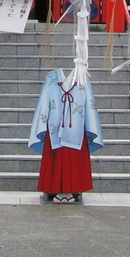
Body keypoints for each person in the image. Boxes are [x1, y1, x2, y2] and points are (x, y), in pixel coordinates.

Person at [29, 69, 103, 203]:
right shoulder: (54, 77)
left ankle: (67, 191)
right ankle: (61, 191)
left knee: (66, 154)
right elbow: (45, 101)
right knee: (61, 154)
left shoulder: (81, 77)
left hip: (74, 126)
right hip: (58, 125)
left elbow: (89, 103)